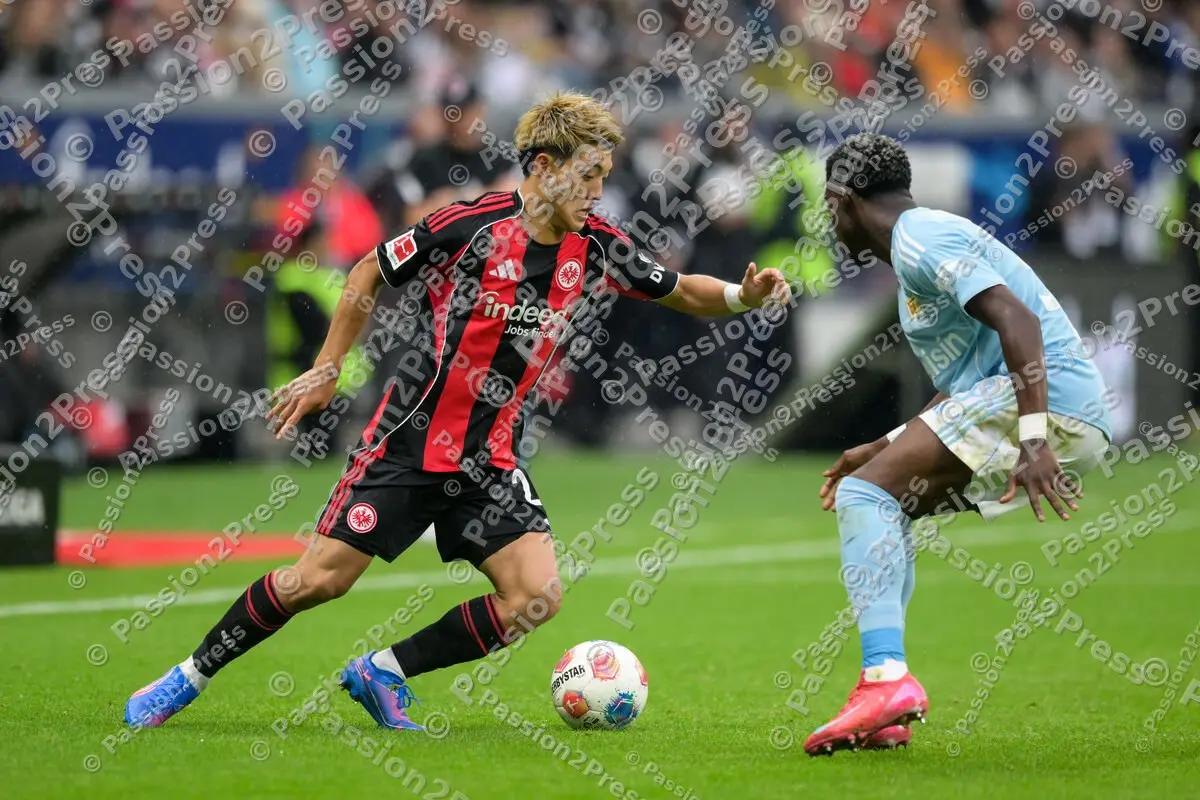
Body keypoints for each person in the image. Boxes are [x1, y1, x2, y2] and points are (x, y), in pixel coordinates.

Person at [123, 91, 791, 731]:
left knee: (535, 596)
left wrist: (743, 294)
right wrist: (327, 370)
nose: (597, 191)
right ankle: (187, 676)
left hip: (491, 459)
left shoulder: (595, 242)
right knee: (317, 581)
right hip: (409, 444)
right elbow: (366, 272)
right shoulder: (468, 225)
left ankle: (382, 672)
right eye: (588, 176)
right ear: (544, 168)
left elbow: (680, 291)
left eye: (605, 177)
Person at [804, 133, 1113, 756]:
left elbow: (1017, 321)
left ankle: (885, 680)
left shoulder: (922, 238)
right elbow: (963, 390)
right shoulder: (917, 251)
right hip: (1035, 404)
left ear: (843, 200)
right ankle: (885, 705)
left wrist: (1033, 437)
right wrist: (884, 443)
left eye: (828, 206)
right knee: (886, 502)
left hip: (1045, 404)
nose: (828, 221)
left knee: (866, 497)